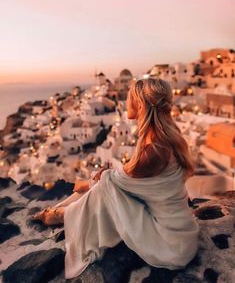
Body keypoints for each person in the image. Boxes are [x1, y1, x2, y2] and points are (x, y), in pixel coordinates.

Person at [32, 77, 199, 279]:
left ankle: (61, 215)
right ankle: (65, 213)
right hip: (181, 236)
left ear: (141, 104)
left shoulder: (154, 150)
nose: (125, 101)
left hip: (169, 244)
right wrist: (101, 177)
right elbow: (124, 178)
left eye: (129, 97)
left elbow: (112, 181)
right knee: (107, 181)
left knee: (105, 185)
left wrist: (89, 182)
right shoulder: (162, 139)